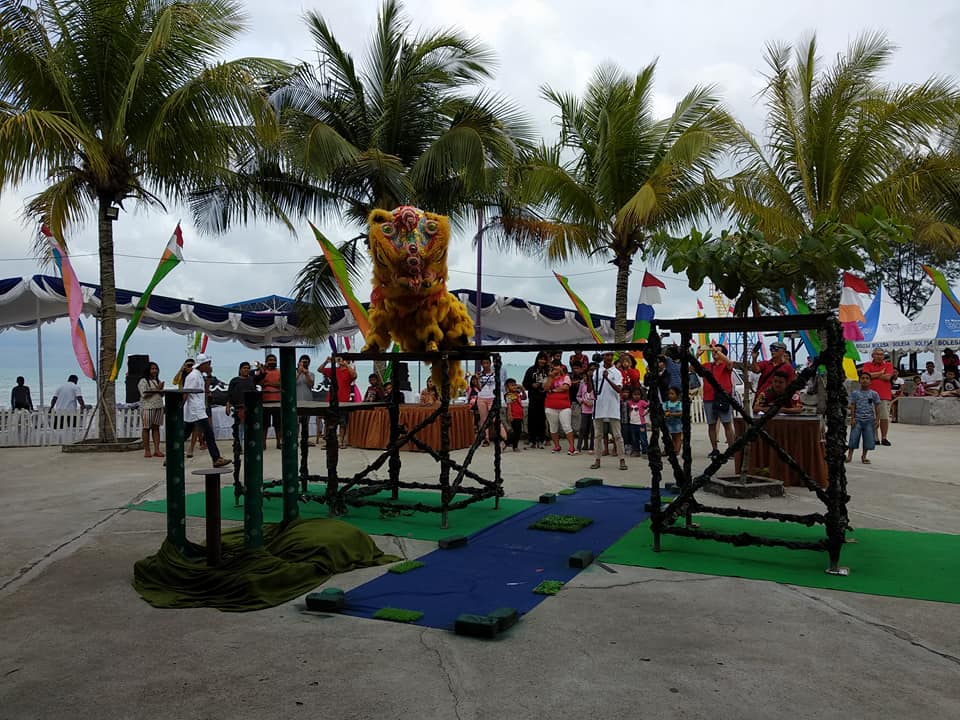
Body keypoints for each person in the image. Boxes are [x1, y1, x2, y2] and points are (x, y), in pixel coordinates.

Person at [183, 354, 230, 467]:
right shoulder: (193, 376)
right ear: (203, 364)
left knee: (184, 434)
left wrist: (209, 375)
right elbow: (186, 392)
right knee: (208, 433)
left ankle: (170, 456)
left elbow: (205, 389)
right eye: (208, 364)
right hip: (195, 409)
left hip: (198, 408)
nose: (210, 366)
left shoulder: (199, 375)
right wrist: (180, 406)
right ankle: (216, 458)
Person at [590, 350, 627, 470]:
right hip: (599, 406)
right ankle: (597, 459)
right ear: (603, 356)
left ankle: (622, 460)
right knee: (598, 435)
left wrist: (607, 379)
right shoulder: (597, 371)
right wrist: (589, 377)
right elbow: (592, 388)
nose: (609, 357)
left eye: (611, 355)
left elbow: (619, 389)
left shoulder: (616, 372)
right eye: (607, 355)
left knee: (617, 435)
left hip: (612, 407)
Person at [698, 343, 736, 460]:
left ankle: (731, 449)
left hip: (723, 397)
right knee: (711, 424)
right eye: (714, 351)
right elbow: (692, 369)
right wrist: (697, 355)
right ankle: (715, 449)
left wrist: (717, 351)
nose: (714, 353)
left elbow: (730, 363)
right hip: (709, 398)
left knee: (727, 423)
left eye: (717, 352)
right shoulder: (708, 365)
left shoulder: (725, 365)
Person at [320, 356, 357, 448]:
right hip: (332, 399)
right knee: (329, 422)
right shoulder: (334, 370)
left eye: (342, 359)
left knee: (342, 422)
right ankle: (330, 442)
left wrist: (346, 365)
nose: (340, 361)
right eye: (339, 359)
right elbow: (320, 369)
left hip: (343, 400)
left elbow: (354, 376)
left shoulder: (349, 371)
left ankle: (340, 442)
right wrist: (326, 361)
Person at [862, 348, 895, 445]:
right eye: (877, 354)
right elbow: (866, 377)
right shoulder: (867, 365)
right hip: (869, 394)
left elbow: (888, 377)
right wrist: (881, 373)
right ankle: (875, 437)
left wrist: (873, 375)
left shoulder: (888, 365)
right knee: (872, 417)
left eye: (881, 354)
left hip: (884, 395)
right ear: (873, 355)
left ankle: (884, 437)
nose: (880, 356)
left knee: (884, 417)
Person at [847, 371, 880, 464]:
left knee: (868, 439)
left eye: (867, 378)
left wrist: (877, 420)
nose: (865, 380)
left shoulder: (874, 394)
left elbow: (877, 407)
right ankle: (849, 456)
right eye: (862, 378)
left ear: (870, 381)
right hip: (857, 419)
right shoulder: (855, 393)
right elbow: (853, 406)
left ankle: (864, 456)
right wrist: (852, 418)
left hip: (869, 420)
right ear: (859, 380)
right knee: (853, 438)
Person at [544, 361, 576, 455]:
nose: (555, 368)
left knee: (567, 426)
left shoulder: (566, 377)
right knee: (553, 427)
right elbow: (546, 388)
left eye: (557, 366)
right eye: (553, 367)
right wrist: (551, 377)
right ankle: (557, 446)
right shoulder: (549, 378)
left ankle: (571, 446)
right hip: (550, 406)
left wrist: (553, 390)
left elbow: (565, 387)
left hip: (564, 406)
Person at [475, 356, 507, 445]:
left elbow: (500, 385)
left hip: (492, 398)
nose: (485, 365)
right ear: (481, 364)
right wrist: (477, 379)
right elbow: (479, 388)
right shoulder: (479, 374)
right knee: (483, 419)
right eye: (483, 363)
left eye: (487, 363)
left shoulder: (495, 373)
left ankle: (505, 438)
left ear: (490, 363)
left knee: (495, 419)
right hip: (481, 398)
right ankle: (486, 439)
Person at [224, 361, 257, 446]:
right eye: (244, 368)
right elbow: (229, 394)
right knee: (239, 428)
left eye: (248, 368)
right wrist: (227, 406)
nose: (246, 370)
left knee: (250, 427)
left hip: (250, 407)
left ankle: (250, 444)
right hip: (239, 407)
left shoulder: (252, 380)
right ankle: (239, 445)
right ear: (240, 369)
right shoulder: (234, 381)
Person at [254, 353, 283, 449]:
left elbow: (281, 384)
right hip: (264, 401)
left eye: (273, 360)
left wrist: (268, 383)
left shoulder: (279, 371)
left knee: (278, 424)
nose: (272, 362)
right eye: (270, 360)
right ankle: (263, 443)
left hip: (277, 401)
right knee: (264, 425)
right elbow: (259, 382)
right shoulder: (262, 372)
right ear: (266, 362)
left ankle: (279, 443)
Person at [522, 352, 550, 449]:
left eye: (544, 359)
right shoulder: (531, 370)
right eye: (540, 359)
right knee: (532, 419)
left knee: (542, 420)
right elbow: (524, 383)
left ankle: (541, 439)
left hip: (544, 398)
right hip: (533, 398)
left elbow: (552, 382)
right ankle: (532, 440)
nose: (542, 361)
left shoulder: (547, 371)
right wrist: (532, 385)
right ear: (537, 359)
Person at [138, 362, 164, 458]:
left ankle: (157, 450)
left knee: (156, 428)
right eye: (152, 369)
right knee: (146, 428)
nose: (154, 371)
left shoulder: (157, 380)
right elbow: (144, 394)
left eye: (156, 369)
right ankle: (147, 450)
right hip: (147, 407)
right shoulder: (143, 381)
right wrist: (157, 389)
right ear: (148, 370)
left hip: (158, 406)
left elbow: (160, 394)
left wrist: (161, 390)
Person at [295, 354, 316, 446]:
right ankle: (294, 440)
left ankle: (305, 440)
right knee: (295, 423)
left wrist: (306, 373)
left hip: (307, 400)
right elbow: (291, 383)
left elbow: (310, 384)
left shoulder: (311, 374)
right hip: (296, 401)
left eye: (306, 362)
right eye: (303, 361)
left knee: (305, 423)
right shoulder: (294, 373)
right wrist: (299, 372)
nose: (305, 363)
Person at [625, 386, 649, 457]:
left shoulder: (642, 402)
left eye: (638, 394)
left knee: (643, 438)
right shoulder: (629, 402)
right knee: (634, 439)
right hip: (632, 424)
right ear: (631, 395)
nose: (636, 396)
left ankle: (645, 451)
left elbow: (649, 406)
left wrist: (645, 413)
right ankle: (637, 451)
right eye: (634, 394)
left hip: (641, 424)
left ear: (641, 395)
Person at [504, 378, 527, 451]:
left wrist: (522, 389)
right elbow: (509, 405)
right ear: (507, 387)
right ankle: (509, 444)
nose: (514, 387)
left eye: (515, 385)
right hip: (514, 415)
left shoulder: (517, 394)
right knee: (516, 431)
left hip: (520, 415)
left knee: (518, 431)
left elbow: (524, 397)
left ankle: (512, 444)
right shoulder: (508, 395)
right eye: (511, 385)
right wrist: (509, 415)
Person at [576, 371, 596, 452]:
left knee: (592, 429)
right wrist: (583, 401)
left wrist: (592, 402)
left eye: (586, 377)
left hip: (593, 411)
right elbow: (578, 396)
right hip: (584, 410)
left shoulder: (594, 386)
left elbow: (597, 397)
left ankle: (591, 447)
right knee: (583, 428)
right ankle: (579, 447)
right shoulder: (582, 385)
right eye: (584, 376)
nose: (584, 378)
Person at [663, 386, 683, 455]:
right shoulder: (666, 403)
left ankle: (677, 451)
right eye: (669, 394)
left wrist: (671, 414)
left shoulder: (679, 403)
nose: (670, 395)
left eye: (672, 394)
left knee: (678, 438)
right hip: (668, 423)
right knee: (672, 437)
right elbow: (663, 411)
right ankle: (674, 450)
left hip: (677, 423)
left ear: (677, 395)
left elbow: (681, 413)